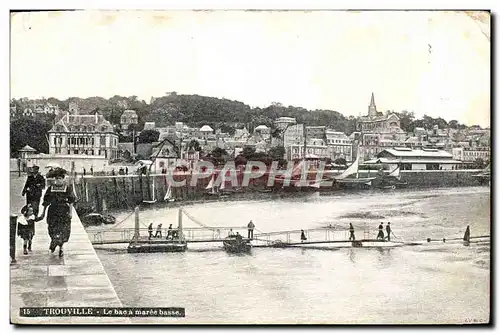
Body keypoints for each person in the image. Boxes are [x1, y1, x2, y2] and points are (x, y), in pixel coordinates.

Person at [38, 167, 76, 257]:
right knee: (52, 228)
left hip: (64, 211)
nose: (58, 180)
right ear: (55, 179)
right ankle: (54, 241)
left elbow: (71, 201)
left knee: (63, 229)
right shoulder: (51, 188)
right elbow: (46, 202)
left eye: (60, 178)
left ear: (63, 179)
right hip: (53, 211)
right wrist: (43, 213)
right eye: (57, 178)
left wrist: (70, 212)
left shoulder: (67, 188)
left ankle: (61, 248)